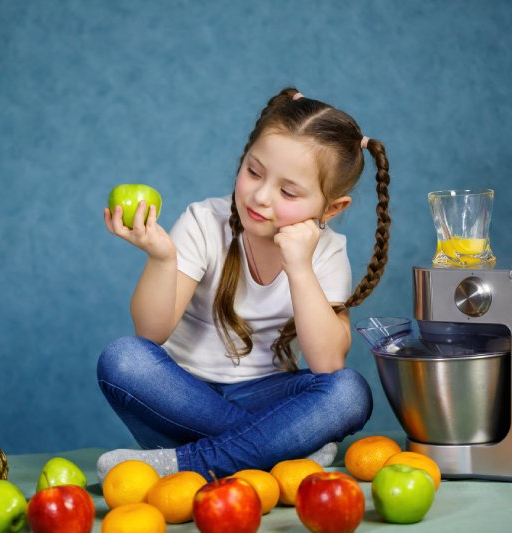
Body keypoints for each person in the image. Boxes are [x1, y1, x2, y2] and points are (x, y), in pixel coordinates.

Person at [97, 87, 391, 480]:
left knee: (350, 391)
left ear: (332, 208)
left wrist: (299, 268)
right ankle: (281, 449)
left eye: (288, 191)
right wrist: (162, 258)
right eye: (253, 171)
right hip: (182, 397)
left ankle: (187, 464)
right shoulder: (205, 222)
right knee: (123, 359)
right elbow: (150, 332)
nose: (260, 196)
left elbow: (327, 363)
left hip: (267, 396)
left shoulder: (327, 252)